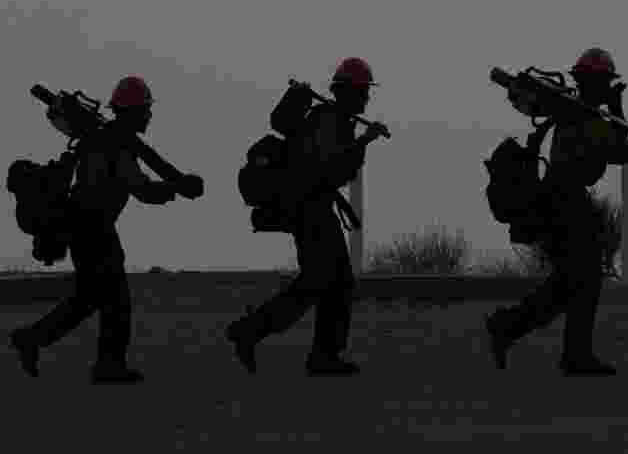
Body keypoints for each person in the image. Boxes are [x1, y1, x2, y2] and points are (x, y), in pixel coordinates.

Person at [484, 47, 628, 376]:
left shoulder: (582, 113)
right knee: (584, 278)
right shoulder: (579, 115)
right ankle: (566, 352)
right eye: (605, 83)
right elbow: (617, 150)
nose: (608, 88)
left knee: (572, 281)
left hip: (563, 199)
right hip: (564, 201)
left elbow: (612, 141)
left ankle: (512, 328)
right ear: (594, 83)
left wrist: (616, 108)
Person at [8, 76, 204, 383]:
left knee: (90, 298)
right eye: (145, 109)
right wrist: (176, 187)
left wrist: (176, 184)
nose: (149, 115)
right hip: (93, 228)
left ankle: (34, 339)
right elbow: (142, 190)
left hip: (84, 226)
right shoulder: (116, 144)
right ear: (134, 112)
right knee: (115, 300)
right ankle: (106, 365)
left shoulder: (106, 138)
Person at [226, 57, 388, 377]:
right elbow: (332, 169)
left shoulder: (332, 119)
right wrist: (364, 142)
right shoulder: (329, 121)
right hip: (308, 208)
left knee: (334, 281)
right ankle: (253, 331)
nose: (367, 98)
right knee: (320, 280)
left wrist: (359, 141)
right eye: (363, 91)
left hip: (312, 207)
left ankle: (320, 354)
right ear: (350, 92)